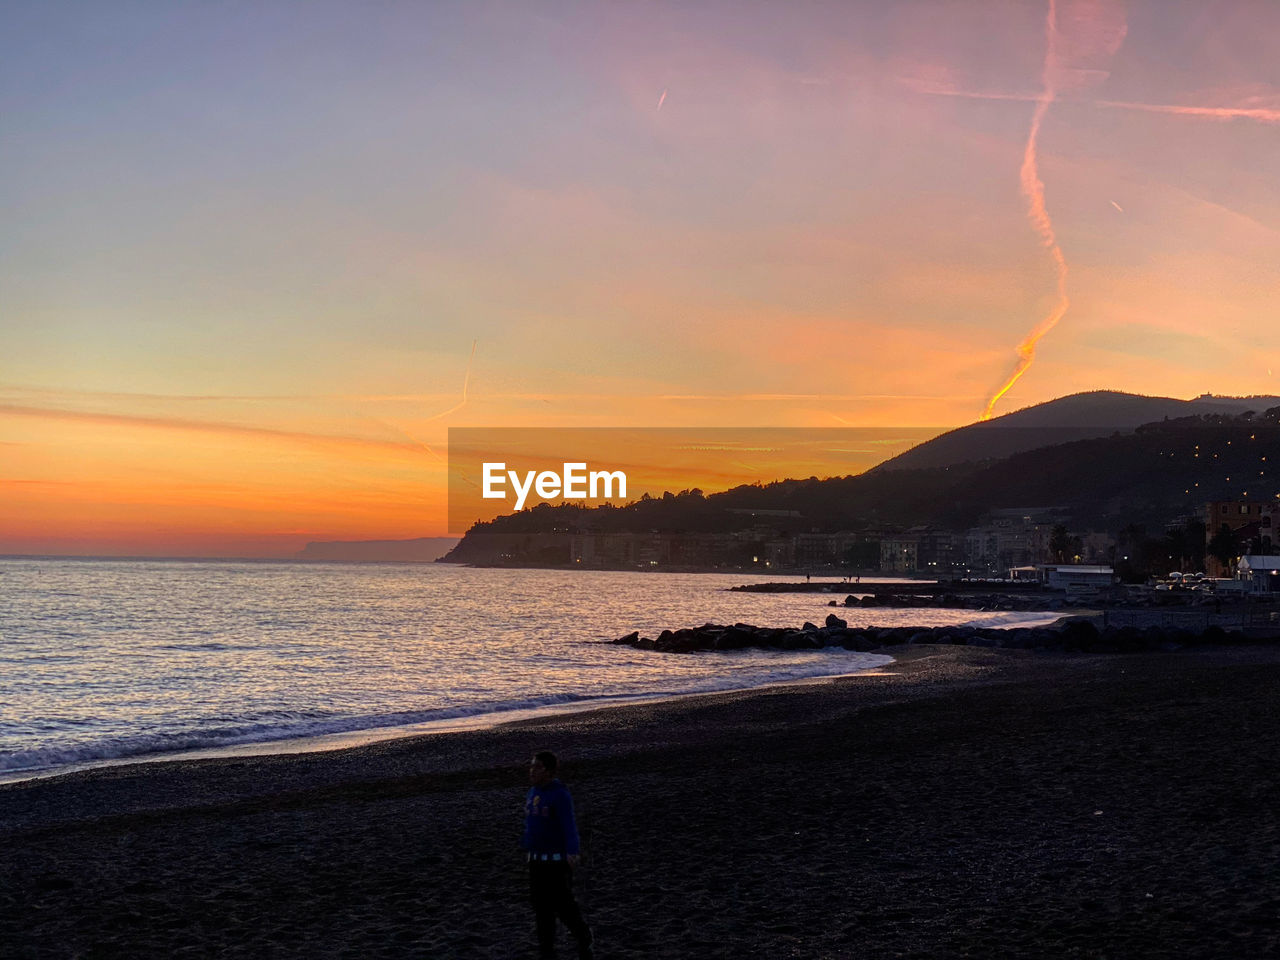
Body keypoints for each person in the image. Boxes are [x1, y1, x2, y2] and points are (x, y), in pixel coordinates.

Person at [521, 750, 593, 960]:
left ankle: (583, 935)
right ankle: (547, 947)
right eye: (532, 766)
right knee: (540, 906)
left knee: (562, 905)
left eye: (538, 767)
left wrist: (572, 852)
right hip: (535, 860)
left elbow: (569, 825)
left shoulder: (559, 794)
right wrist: (526, 843)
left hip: (555, 861)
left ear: (549, 771)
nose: (532, 771)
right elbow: (531, 824)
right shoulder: (533, 792)